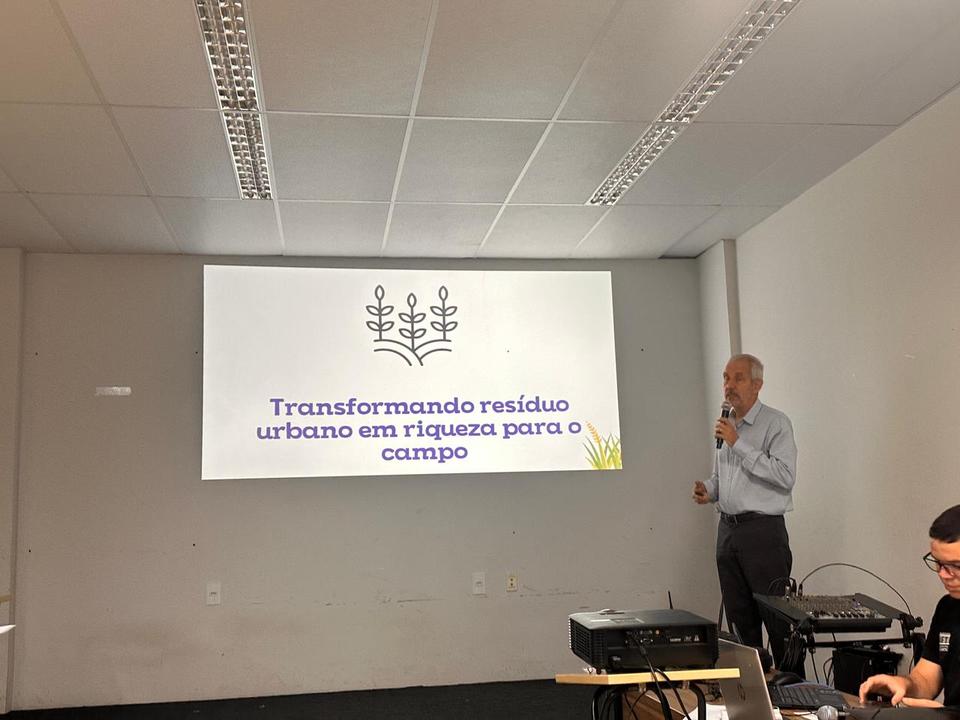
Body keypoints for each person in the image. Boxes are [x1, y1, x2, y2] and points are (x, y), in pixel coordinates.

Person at [691, 354, 797, 666]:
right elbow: (723, 479)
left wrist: (738, 443)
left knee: (779, 624)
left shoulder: (776, 424)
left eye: (738, 378)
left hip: (763, 534)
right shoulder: (727, 425)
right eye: (726, 378)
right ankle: (752, 690)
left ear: (757, 385)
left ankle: (794, 689)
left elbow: (785, 476)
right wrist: (709, 490)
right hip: (728, 532)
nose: (729, 385)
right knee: (740, 624)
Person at [859, 505, 960, 708]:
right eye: (938, 563)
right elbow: (926, 679)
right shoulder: (948, 608)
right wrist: (903, 684)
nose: (943, 574)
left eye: (955, 566)